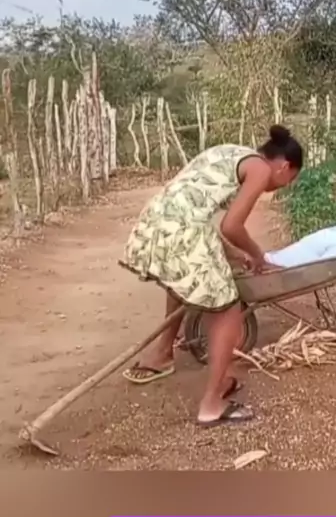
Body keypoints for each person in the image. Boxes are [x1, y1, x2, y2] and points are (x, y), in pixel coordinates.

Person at [120, 124, 303, 427]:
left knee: (183, 281)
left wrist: (236, 255)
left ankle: (163, 354)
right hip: (182, 231)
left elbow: (196, 212)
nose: (283, 186)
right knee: (228, 309)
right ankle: (212, 403)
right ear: (284, 167)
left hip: (157, 221)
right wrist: (258, 255)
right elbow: (231, 226)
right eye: (290, 180)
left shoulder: (232, 152)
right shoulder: (260, 169)